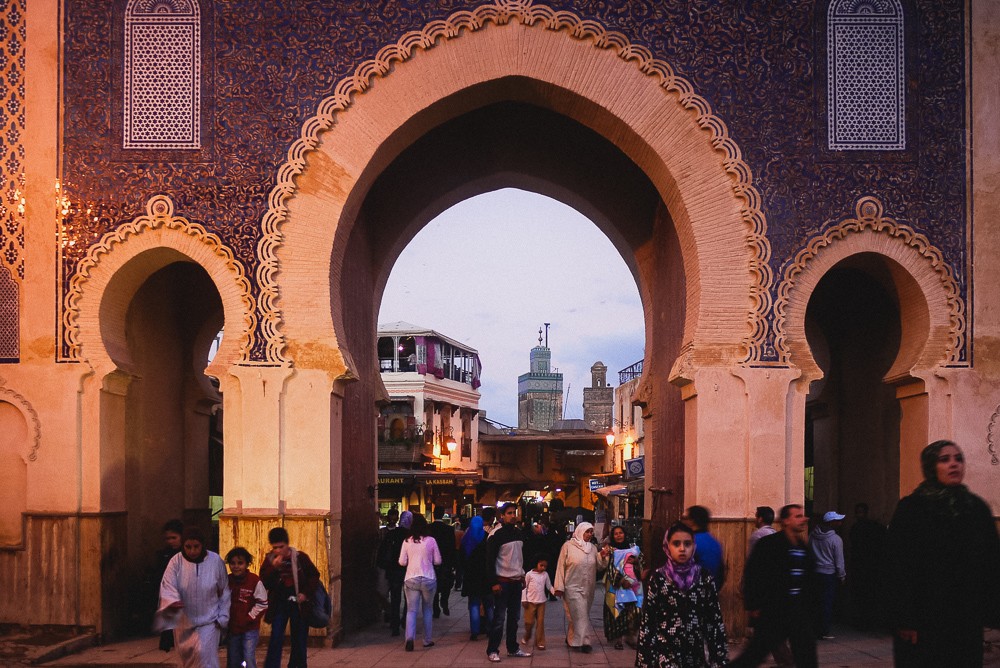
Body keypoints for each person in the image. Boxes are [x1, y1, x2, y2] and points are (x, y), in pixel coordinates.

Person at [885, 440, 1000, 667]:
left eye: (958, 458)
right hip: (924, 621)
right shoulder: (912, 509)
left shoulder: (976, 508)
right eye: (944, 459)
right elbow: (896, 567)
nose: (954, 464)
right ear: (930, 466)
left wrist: (991, 611)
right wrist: (904, 619)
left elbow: (992, 564)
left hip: (965, 620)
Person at [731, 504, 818, 668]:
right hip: (774, 612)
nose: (804, 519)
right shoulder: (769, 545)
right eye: (798, 516)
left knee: (807, 657)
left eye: (803, 516)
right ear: (785, 521)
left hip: (798, 613)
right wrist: (754, 605)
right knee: (753, 655)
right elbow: (754, 574)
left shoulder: (802, 548)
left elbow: (809, 582)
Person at [635, 522, 728, 667]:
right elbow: (649, 622)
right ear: (667, 547)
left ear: (694, 547)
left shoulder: (704, 577)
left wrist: (719, 659)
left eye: (687, 544)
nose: (682, 549)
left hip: (695, 655)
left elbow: (714, 621)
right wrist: (644, 661)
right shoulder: (659, 578)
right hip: (665, 654)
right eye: (676, 543)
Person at [153, 526, 230, 668]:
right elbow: (168, 586)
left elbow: (224, 590)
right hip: (184, 624)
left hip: (209, 621)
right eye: (188, 547)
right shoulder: (175, 562)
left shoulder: (215, 561)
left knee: (206, 660)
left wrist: (223, 617)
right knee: (187, 662)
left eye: (196, 547)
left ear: (202, 545)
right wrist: (173, 602)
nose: (192, 551)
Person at [260, 527, 320, 668]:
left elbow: (313, 575)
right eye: (275, 548)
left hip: (298, 602)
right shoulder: (270, 560)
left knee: (299, 638)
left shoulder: (299, 557)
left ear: (287, 544)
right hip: (279, 602)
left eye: (281, 547)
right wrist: (274, 568)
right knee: (276, 636)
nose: (278, 550)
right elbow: (264, 582)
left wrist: (305, 593)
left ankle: (297, 665)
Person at [485, 502, 532, 662]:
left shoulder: (519, 534)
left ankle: (512, 648)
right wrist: (493, 582)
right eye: (509, 513)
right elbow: (489, 561)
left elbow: (520, 558)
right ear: (502, 516)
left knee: (514, 618)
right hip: (502, 582)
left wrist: (522, 575)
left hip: (516, 582)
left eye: (514, 513)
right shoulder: (496, 535)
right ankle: (492, 650)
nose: (513, 516)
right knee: (499, 618)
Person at [554, 521, 610, 653]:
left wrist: (602, 556)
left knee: (578, 615)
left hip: (588, 588)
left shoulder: (592, 548)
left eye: (591, 532)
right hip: (572, 586)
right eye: (587, 531)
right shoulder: (567, 546)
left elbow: (599, 566)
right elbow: (560, 566)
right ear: (580, 531)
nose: (589, 534)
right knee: (580, 614)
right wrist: (559, 586)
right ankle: (584, 642)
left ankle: (571, 637)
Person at [398, 513, 441, 651]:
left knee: (411, 610)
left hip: (411, 578)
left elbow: (402, 561)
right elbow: (438, 560)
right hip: (428, 577)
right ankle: (427, 640)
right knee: (427, 609)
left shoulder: (406, 541)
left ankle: (409, 638)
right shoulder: (431, 541)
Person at [225, 546, 268, 668]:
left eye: (240, 563)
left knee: (248, 657)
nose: (236, 566)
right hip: (233, 628)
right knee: (233, 660)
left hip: (250, 628)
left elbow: (263, 603)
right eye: (232, 563)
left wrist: (249, 617)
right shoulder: (227, 581)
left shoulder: (254, 581)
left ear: (247, 564)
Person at [847, 502, 885, 630]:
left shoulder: (861, 528)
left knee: (866, 596)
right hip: (865, 567)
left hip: (865, 567)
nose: (859, 515)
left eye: (860, 512)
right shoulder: (870, 527)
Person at [810, 510, 845, 639]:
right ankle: (824, 631)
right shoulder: (836, 540)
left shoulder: (812, 536)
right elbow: (839, 560)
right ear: (832, 523)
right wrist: (842, 576)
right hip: (829, 574)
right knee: (827, 603)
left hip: (815, 573)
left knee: (816, 602)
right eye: (838, 521)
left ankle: (815, 628)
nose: (840, 523)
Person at [604, 538, 643, 651]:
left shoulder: (634, 550)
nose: (618, 536)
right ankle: (618, 640)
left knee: (635, 612)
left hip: (634, 589)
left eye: (621, 533)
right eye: (615, 534)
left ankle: (631, 638)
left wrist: (636, 563)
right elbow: (609, 569)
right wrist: (621, 581)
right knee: (617, 614)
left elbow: (642, 564)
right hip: (616, 589)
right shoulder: (610, 551)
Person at [377, 509, 411, 637]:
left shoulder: (392, 534)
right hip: (407, 570)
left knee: (395, 598)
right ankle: (405, 620)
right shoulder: (410, 536)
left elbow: (383, 552)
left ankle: (395, 624)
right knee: (408, 598)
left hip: (393, 570)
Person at [153, 518, 184, 652]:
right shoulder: (164, 554)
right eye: (168, 538)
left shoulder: (186, 554)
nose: (171, 541)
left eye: (174, 537)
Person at [460, 514, 489, 640]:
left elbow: (461, 558)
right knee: (487, 603)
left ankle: (475, 631)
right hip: (484, 574)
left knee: (474, 604)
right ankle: (489, 628)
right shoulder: (486, 538)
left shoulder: (466, 538)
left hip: (470, 575)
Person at [684, 505, 726, 590]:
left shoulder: (692, 543)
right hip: (711, 591)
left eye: (686, 518)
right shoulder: (715, 542)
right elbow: (721, 572)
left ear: (692, 521)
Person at [520, 554, 555, 651]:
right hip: (530, 602)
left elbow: (549, 586)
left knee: (540, 623)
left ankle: (540, 642)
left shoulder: (545, 575)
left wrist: (555, 592)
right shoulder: (529, 574)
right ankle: (527, 636)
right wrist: (524, 599)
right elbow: (524, 588)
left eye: (545, 566)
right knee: (529, 622)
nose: (543, 568)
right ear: (536, 564)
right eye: (541, 565)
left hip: (541, 601)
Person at [429, 505, 456, 617]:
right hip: (445, 560)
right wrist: (453, 562)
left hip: (431, 561)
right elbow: (452, 547)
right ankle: (444, 600)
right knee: (447, 583)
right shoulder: (449, 529)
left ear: (434, 515)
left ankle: (435, 608)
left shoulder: (429, 528)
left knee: (433, 584)